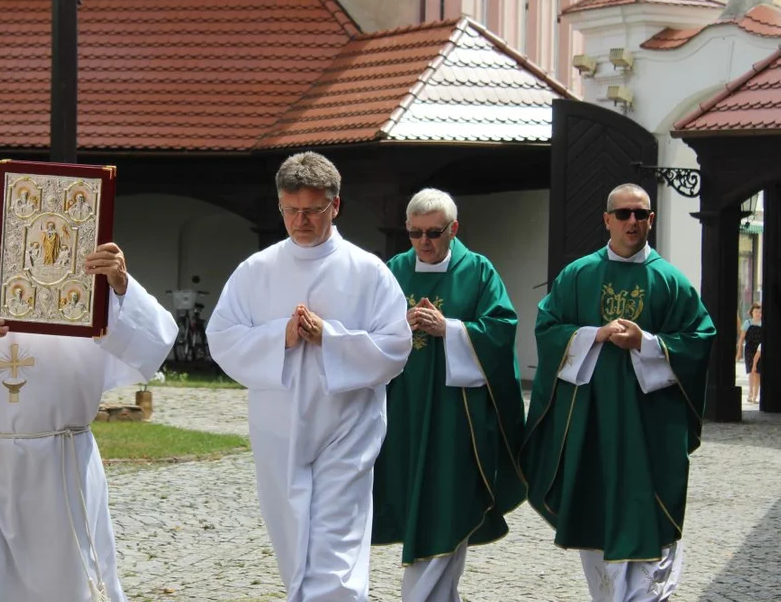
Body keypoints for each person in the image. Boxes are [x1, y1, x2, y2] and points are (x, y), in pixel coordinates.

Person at [0, 178, 177, 602]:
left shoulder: (86, 285)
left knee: (69, 585)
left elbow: (156, 343)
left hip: (59, 459)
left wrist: (121, 286)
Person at [205, 151, 413, 601]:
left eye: (312, 211)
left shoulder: (369, 271)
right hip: (279, 428)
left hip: (347, 427)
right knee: (293, 539)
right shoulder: (255, 271)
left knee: (335, 548)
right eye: (290, 210)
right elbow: (221, 337)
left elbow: (396, 348)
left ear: (335, 206)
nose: (301, 221)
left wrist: (331, 339)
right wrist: (281, 334)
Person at [519, 183, 716, 602]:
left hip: (650, 426)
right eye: (623, 213)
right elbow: (548, 329)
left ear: (651, 220)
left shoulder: (670, 280)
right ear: (606, 219)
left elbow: (699, 339)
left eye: (641, 214)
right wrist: (594, 335)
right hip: (593, 421)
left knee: (652, 518)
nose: (632, 221)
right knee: (598, 513)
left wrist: (646, 343)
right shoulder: (578, 276)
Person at [372, 188, 525, 602]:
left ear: (454, 229)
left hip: (458, 418)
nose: (424, 242)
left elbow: (501, 329)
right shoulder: (393, 271)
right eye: (415, 233)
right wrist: (399, 326)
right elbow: (366, 333)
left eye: (435, 232)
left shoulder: (478, 271)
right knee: (412, 505)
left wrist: (451, 329)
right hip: (402, 411)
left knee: (448, 503)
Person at [737, 303, 763, 403]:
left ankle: (756, 395)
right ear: (752, 312)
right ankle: (751, 393)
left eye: (760, 312)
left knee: (758, 373)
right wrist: (739, 351)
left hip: (760, 350)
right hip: (749, 350)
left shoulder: (763, 323)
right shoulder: (747, 323)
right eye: (756, 311)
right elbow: (742, 337)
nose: (758, 314)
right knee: (751, 372)